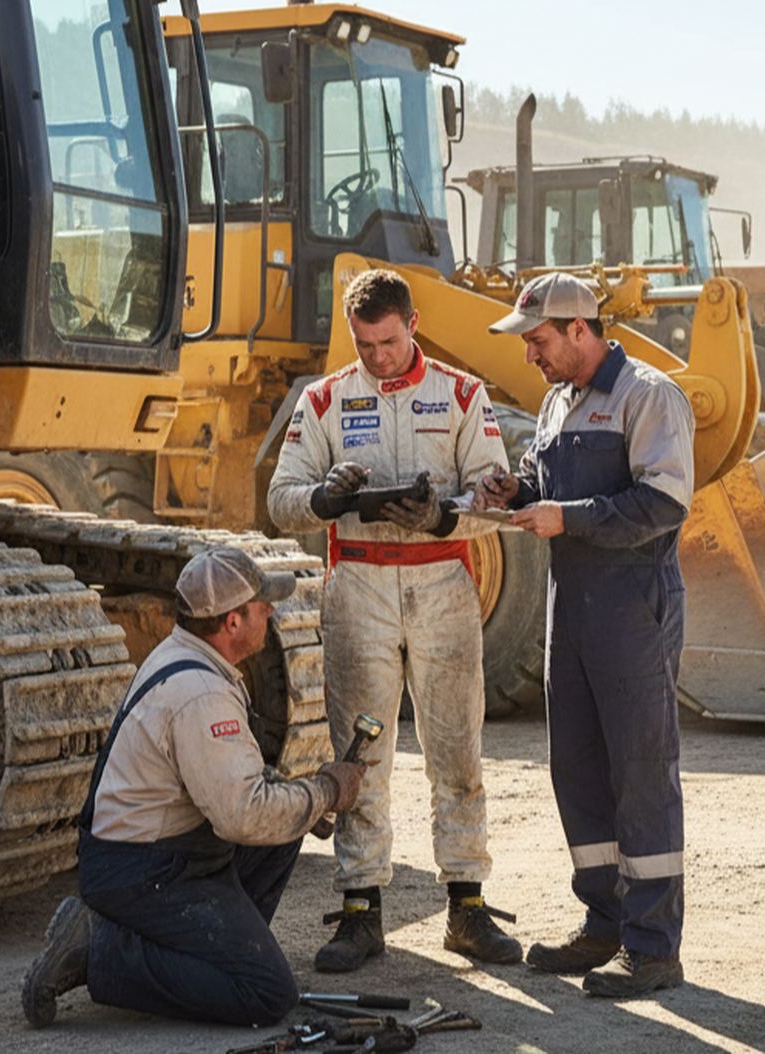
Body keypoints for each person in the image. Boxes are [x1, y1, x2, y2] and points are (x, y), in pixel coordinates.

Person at [267, 268, 519, 973]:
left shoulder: (463, 394)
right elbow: (279, 498)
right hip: (359, 588)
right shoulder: (324, 399)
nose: (377, 356)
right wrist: (322, 499)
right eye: (364, 343)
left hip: (443, 584)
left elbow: (497, 498)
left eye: (387, 340)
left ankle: (466, 907)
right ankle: (360, 912)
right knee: (362, 753)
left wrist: (443, 514)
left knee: (456, 748)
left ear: (412, 324)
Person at [20, 547, 367, 1028]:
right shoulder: (201, 694)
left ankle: (212, 955)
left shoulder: (187, 654)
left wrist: (302, 805)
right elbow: (241, 816)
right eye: (261, 605)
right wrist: (327, 791)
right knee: (267, 993)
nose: (270, 611)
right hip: (141, 870)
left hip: (150, 850)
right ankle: (99, 950)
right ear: (231, 623)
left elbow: (236, 791)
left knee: (285, 825)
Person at [476, 272, 696, 998]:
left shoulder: (648, 395)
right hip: (571, 612)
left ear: (579, 330)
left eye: (538, 340)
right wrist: (520, 494)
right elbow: (550, 491)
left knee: (641, 773)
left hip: (633, 610)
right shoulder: (555, 402)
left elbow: (662, 503)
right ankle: (603, 924)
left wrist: (566, 517)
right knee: (575, 769)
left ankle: (654, 949)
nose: (531, 355)